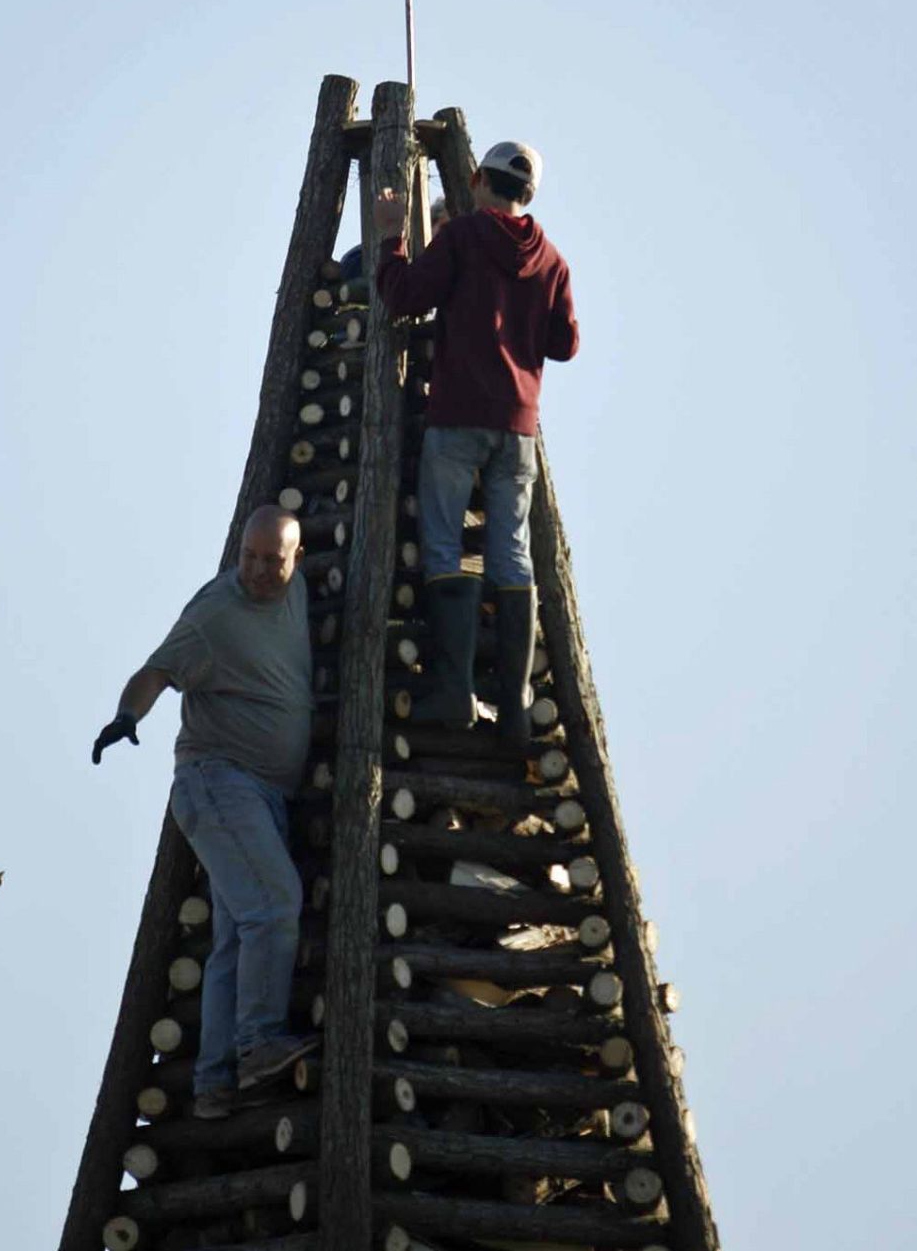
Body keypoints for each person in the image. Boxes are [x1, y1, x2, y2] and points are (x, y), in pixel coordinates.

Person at [91, 505, 318, 1118]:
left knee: (235, 936)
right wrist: (126, 717)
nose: (259, 570)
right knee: (273, 906)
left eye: (273, 560)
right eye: (250, 556)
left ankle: (216, 1082)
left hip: (263, 795)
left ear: (295, 560)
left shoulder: (294, 592)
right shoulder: (216, 612)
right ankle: (258, 1045)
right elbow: (157, 671)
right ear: (238, 550)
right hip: (219, 783)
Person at [374, 142, 578, 741]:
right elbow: (565, 345)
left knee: (443, 546)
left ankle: (453, 692)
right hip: (518, 426)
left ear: (476, 178)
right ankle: (515, 706)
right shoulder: (552, 260)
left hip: (457, 415)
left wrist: (392, 238)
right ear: (530, 194)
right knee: (511, 553)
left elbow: (405, 296)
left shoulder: (462, 236)